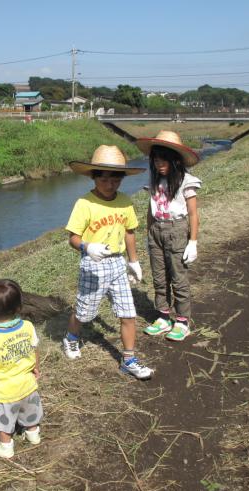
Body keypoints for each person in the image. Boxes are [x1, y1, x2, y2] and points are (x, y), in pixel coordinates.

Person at [62, 145, 154, 380]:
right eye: (104, 179)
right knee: (84, 312)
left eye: (115, 179)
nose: (110, 184)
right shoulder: (85, 203)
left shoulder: (124, 201)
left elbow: (129, 232)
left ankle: (128, 359)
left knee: (128, 313)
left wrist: (134, 261)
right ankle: (71, 337)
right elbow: (73, 237)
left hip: (117, 264)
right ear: (94, 177)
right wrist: (87, 247)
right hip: (93, 264)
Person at [135, 130, 201, 342]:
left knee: (178, 278)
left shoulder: (186, 181)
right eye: (156, 159)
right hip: (156, 230)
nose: (159, 163)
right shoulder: (155, 181)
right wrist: (148, 235)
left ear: (175, 159)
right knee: (159, 277)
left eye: (164, 159)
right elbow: (150, 210)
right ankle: (163, 317)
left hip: (176, 231)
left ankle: (182, 321)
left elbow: (193, 214)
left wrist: (193, 242)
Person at [0, 279, 42, 459]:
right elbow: (34, 349)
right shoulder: (27, 326)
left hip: (4, 391)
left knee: (3, 420)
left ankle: (6, 447)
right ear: (19, 306)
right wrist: (36, 367)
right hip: (28, 384)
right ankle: (33, 433)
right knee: (30, 411)